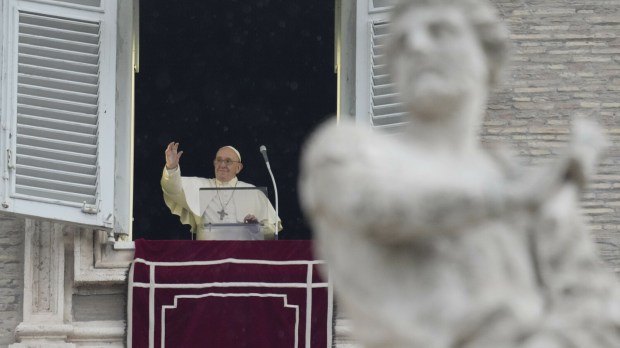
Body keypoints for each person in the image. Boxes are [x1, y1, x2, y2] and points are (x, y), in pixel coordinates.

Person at [300, 0, 620, 347]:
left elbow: (596, 303)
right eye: (402, 41)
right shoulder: (354, 151)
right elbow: (374, 208)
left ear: (488, 55)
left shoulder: (526, 185)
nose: (417, 45)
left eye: (440, 30)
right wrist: (514, 198)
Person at [162, 142, 281, 240]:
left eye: (228, 161)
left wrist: (257, 228)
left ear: (238, 168)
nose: (222, 164)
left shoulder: (253, 192)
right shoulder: (200, 185)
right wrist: (172, 167)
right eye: (219, 160)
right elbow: (173, 189)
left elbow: (272, 232)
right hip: (208, 259)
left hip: (243, 259)